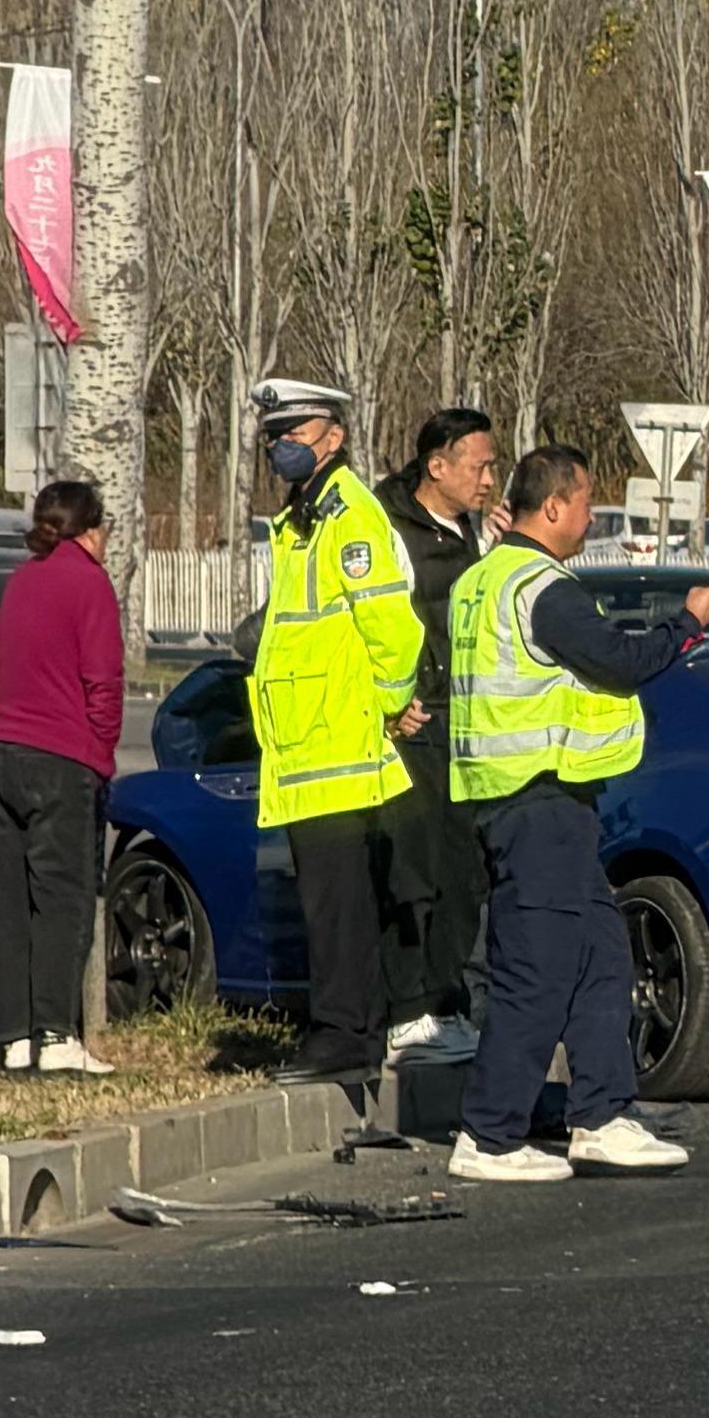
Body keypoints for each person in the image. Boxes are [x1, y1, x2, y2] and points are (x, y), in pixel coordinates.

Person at [447, 445, 709, 1186]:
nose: (592, 517)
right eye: (586, 503)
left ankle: (602, 1116)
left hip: (537, 799)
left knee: (602, 956)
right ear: (553, 508)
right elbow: (621, 661)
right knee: (536, 970)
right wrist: (687, 622)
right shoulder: (543, 588)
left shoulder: (484, 580)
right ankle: (490, 1132)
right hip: (534, 797)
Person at [245, 369, 428, 1114]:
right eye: (273, 437)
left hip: (340, 742)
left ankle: (344, 1032)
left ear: (334, 436)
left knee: (337, 902)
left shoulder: (348, 516)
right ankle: (347, 1024)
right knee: (333, 901)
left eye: (293, 433)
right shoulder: (302, 520)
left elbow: (392, 626)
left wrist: (391, 706)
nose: (281, 447)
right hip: (309, 742)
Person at [0, 473, 124, 1075]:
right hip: (58, 758)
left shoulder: (23, 579)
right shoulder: (88, 583)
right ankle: (58, 1035)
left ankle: (14, 1036)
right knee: (61, 901)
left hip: (1, 752)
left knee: (9, 899)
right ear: (90, 531)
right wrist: (99, 757)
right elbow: (104, 683)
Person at [373, 402, 503, 1064]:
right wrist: (394, 700)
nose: (488, 479)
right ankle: (406, 1011)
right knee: (412, 871)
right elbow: (382, 621)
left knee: (465, 873)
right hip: (413, 726)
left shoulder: (476, 531)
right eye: (478, 466)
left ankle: (445, 1005)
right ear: (437, 466)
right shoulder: (389, 527)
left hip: (468, 725)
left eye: (492, 466)